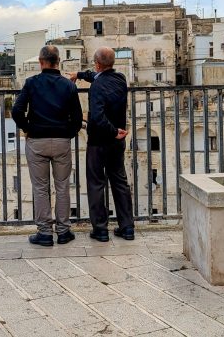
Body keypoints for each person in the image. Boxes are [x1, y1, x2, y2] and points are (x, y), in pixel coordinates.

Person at [12, 46, 82, 246]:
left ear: (41, 62)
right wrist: (68, 133)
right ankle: (63, 231)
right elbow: (77, 118)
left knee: (41, 188)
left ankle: (44, 233)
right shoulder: (68, 86)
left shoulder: (31, 83)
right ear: (58, 61)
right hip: (61, 141)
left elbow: (17, 110)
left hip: (37, 141)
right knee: (62, 187)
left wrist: (27, 128)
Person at [68, 47, 134, 242]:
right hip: (118, 141)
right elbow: (96, 76)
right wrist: (80, 75)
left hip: (99, 141)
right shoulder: (120, 79)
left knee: (96, 184)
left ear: (97, 65)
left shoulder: (96, 87)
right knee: (120, 182)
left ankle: (100, 229)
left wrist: (112, 132)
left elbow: (97, 117)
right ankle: (127, 227)